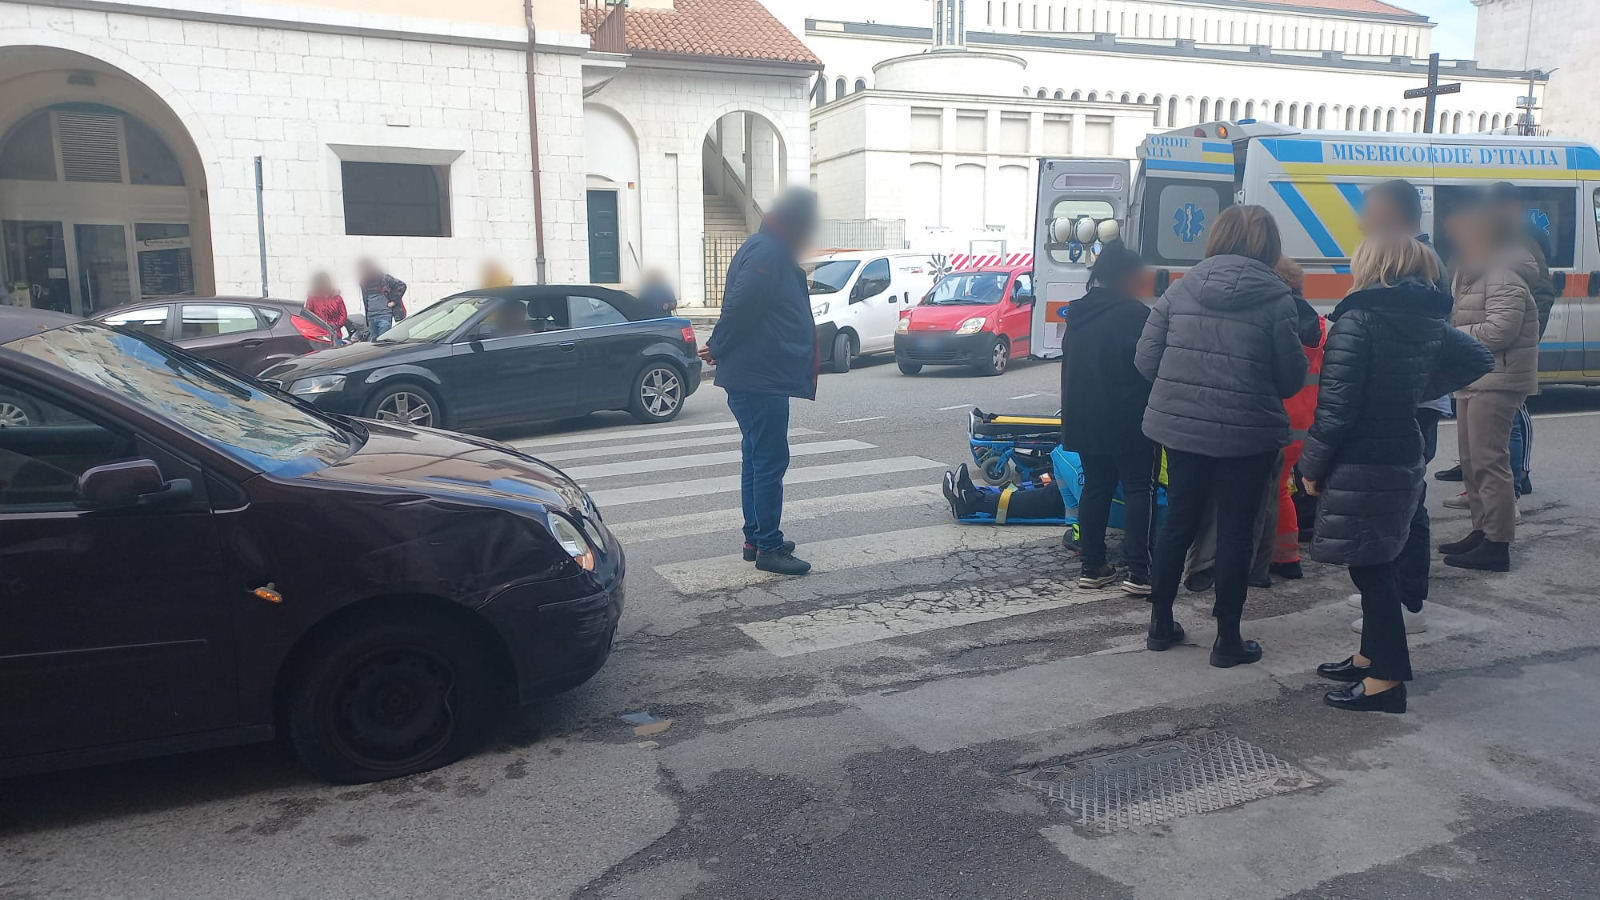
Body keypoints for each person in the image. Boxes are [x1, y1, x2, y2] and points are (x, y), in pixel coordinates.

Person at [1302, 235, 1493, 714]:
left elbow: (1336, 409)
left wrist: (1311, 465)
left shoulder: (1356, 320)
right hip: (1402, 451)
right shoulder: (1426, 318)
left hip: (1363, 456)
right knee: (1377, 559)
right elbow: (1478, 358)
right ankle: (1371, 656)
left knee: (1371, 570)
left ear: (1372, 265)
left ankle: (1386, 681)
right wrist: (1409, 390)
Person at [1136, 205, 1308, 667]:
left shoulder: (1179, 290)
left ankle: (1159, 624)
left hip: (1181, 429)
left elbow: (1145, 361)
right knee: (1235, 531)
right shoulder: (1276, 298)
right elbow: (1292, 378)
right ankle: (1227, 639)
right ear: (1269, 246)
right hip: (1248, 434)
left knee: (1179, 523)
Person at [702, 188, 820, 576]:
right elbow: (743, 304)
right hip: (760, 377)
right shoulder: (769, 251)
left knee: (756, 459)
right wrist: (718, 345)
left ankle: (756, 537)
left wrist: (720, 347)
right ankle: (768, 546)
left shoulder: (763, 246)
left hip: (756, 374)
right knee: (768, 461)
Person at [1350, 179, 1449, 635]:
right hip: (1410, 402)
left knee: (1410, 503)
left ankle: (1409, 600)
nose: (1362, 220)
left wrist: (1413, 386)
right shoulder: (1417, 260)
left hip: (1411, 406)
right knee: (1398, 502)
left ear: (1391, 215)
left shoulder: (1418, 264)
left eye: (1369, 211)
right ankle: (1391, 586)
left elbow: (1452, 349)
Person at [1438, 196, 1541, 571]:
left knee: (1489, 462)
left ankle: (1497, 542)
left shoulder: (1502, 272)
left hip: (1497, 378)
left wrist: (1450, 337)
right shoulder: (1477, 269)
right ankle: (1481, 531)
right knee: (1472, 461)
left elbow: (1500, 330)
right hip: (1478, 375)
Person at [1059, 241, 1156, 595]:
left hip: (1083, 418)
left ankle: (1092, 566)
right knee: (1137, 490)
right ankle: (1139, 573)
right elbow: (1150, 367)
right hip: (1128, 418)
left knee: (1096, 488)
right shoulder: (1135, 315)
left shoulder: (1079, 314)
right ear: (1126, 277)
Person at [358, 259, 407, 340]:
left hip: (384, 315)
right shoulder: (363, 283)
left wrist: (394, 301)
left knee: (383, 342)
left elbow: (401, 285)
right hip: (371, 317)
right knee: (374, 343)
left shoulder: (383, 278)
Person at [305, 271, 349, 346]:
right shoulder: (312, 298)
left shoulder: (337, 297)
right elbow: (308, 316)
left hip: (335, 333)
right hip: (319, 336)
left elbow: (343, 315)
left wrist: (336, 325)